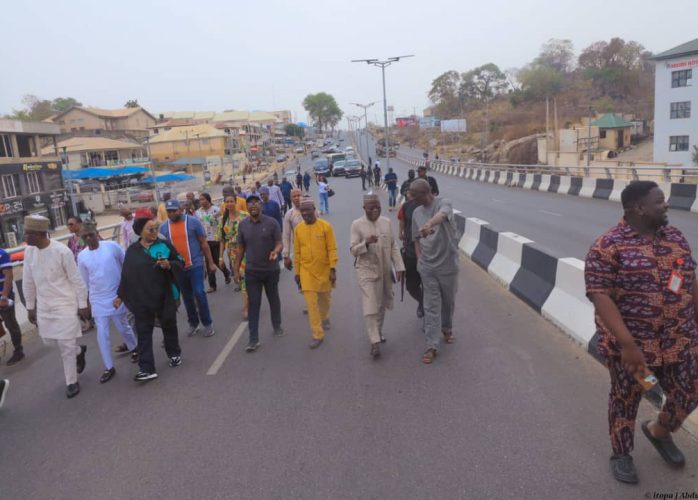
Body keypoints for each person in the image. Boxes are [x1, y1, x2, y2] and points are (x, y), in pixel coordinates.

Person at [584, 181, 698, 484]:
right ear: (639, 208)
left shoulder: (676, 237)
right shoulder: (607, 246)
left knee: (690, 391)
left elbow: (688, 280)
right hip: (635, 351)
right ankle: (621, 453)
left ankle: (658, 431)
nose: (666, 205)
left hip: (679, 341)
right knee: (627, 397)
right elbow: (599, 295)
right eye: (659, 201)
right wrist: (627, 345)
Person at [22, 215, 89, 398]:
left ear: (39, 233)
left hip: (65, 304)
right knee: (49, 341)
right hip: (44, 305)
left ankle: (71, 381)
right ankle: (78, 351)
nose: (25, 237)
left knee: (66, 345)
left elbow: (76, 279)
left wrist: (82, 303)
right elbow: (28, 281)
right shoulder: (29, 252)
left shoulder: (62, 251)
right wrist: (30, 306)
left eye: (28, 233)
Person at [116, 213, 183, 382]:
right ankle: (147, 368)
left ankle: (174, 354)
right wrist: (120, 296)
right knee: (143, 332)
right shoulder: (132, 251)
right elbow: (126, 275)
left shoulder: (165, 245)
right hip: (142, 299)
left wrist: (169, 264)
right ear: (140, 231)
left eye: (156, 229)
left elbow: (180, 262)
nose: (154, 232)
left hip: (164, 295)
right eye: (150, 229)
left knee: (169, 326)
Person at [77, 221, 138, 383]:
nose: (88, 239)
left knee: (123, 326)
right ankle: (109, 367)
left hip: (116, 295)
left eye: (91, 235)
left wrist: (127, 289)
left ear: (96, 233)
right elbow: (84, 282)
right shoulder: (82, 257)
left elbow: (126, 265)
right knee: (102, 334)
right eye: (85, 237)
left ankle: (134, 348)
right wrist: (85, 302)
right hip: (97, 299)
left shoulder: (112, 246)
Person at [410, 179, 459, 364]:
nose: (412, 198)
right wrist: (419, 259)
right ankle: (432, 345)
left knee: (448, 301)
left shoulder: (443, 203)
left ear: (425, 193)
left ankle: (446, 328)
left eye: (415, 195)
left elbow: (442, 215)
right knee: (430, 305)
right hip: (427, 266)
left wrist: (429, 224)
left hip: (447, 264)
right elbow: (416, 238)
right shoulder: (416, 212)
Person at [350, 194, 405, 358]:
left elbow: (393, 246)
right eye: (371, 207)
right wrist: (366, 243)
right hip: (366, 270)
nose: (375, 210)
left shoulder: (386, 222)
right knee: (370, 304)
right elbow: (353, 250)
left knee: (381, 304)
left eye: (378, 207)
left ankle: (378, 333)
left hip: (384, 269)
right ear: (364, 208)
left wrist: (399, 266)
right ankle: (374, 341)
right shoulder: (357, 225)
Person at [233, 192, 283, 352]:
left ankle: (277, 325)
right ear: (246, 207)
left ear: (260, 205)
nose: (253, 205)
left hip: (270, 270)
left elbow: (279, 243)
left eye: (256, 202)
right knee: (253, 303)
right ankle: (253, 339)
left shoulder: (272, 223)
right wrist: (236, 269)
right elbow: (240, 248)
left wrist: (275, 251)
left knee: (273, 298)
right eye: (250, 203)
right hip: (252, 272)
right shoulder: (243, 225)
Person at [160, 199, 217, 338]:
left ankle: (207, 323)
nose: (171, 213)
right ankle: (193, 323)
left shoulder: (193, 222)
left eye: (174, 210)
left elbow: (203, 243)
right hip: (177, 268)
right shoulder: (163, 228)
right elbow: (163, 248)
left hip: (195, 264)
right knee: (187, 297)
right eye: (169, 211)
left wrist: (210, 263)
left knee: (199, 293)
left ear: (180, 209)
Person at [294, 198, 337, 349]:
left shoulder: (326, 226)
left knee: (325, 300)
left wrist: (332, 268)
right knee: (311, 304)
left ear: (314, 210)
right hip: (306, 271)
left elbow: (332, 248)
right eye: (302, 211)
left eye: (308, 210)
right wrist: (297, 273)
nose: (305, 213)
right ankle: (317, 334)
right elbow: (297, 252)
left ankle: (325, 316)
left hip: (324, 270)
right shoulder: (298, 229)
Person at [219, 194, 249, 319]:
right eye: (227, 202)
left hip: (247, 251)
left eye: (231, 201)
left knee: (245, 277)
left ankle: (247, 307)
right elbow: (222, 240)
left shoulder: (245, 216)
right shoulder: (222, 220)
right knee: (240, 279)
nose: (229, 204)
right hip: (233, 254)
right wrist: (221, 257)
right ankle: (248, 302)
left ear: (236, 202)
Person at [195, 192, 231, 293]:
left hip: (216, 238)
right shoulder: (198, 213)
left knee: (216, 260)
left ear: (208, 200)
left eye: (203, 199)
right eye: (200, 200)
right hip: (205, 240)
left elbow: (221, 224)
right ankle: (212, 285)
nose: (201, 201)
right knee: (208, 262)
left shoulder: (216, 210)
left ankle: (226, 273)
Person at [397, 189, 423, 318]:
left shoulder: (431, 206)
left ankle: (430, 307)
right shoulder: (405, 206)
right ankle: (423, 302)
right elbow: (401, 220)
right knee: (411, 286)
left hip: (429, 254)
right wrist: (400, 232)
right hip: (411, 253)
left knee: (431, 285)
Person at [0, 247, 24, 365]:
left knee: (10, 324)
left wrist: (4, 297)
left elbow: (8, 276)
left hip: (4, 296)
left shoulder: (2, 254)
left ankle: (18, 350)